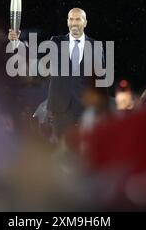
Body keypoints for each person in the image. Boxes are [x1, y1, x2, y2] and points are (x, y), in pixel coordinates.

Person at [8, 8, 107, 138]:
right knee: (61, 149)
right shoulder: (56, 42)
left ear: (85, 22)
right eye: (71, 19)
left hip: (86, 109)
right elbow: (33, 55)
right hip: (60, 109)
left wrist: (102, 109)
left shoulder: (96, 46)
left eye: (78, 19)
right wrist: (17, 42)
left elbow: (101, 81)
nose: (74, 22)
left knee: (86, 150)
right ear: (67, 22)